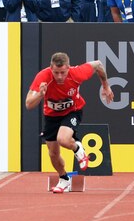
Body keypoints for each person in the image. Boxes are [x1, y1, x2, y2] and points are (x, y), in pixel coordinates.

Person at [24, 52, 113, 193]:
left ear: (69, 68)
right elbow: (29, 104)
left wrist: (105, 86)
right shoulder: (42, 77)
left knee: (63, 139)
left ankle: (78, 149)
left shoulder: (77, 73)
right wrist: (40, 95)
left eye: (63, 72)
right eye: (56, 73)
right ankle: (64, 179)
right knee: (53, 153)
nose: (59, 77)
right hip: (51, 116)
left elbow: (98, 64)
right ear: (50, 68)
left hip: (73, 111)